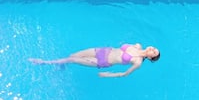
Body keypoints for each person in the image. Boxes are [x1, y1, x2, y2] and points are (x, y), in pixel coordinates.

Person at [30, 43, 160, 78]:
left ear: (150, 58)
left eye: (154, 52)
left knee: (72, 59)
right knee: (73, 55)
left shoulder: (137, 62)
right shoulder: (137, 45)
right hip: (102, 51)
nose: (153, 49)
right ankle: (63, 65)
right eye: (154, 48)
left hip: (103, 62)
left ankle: (44, 62)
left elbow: (124, 74)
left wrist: (108, 75)